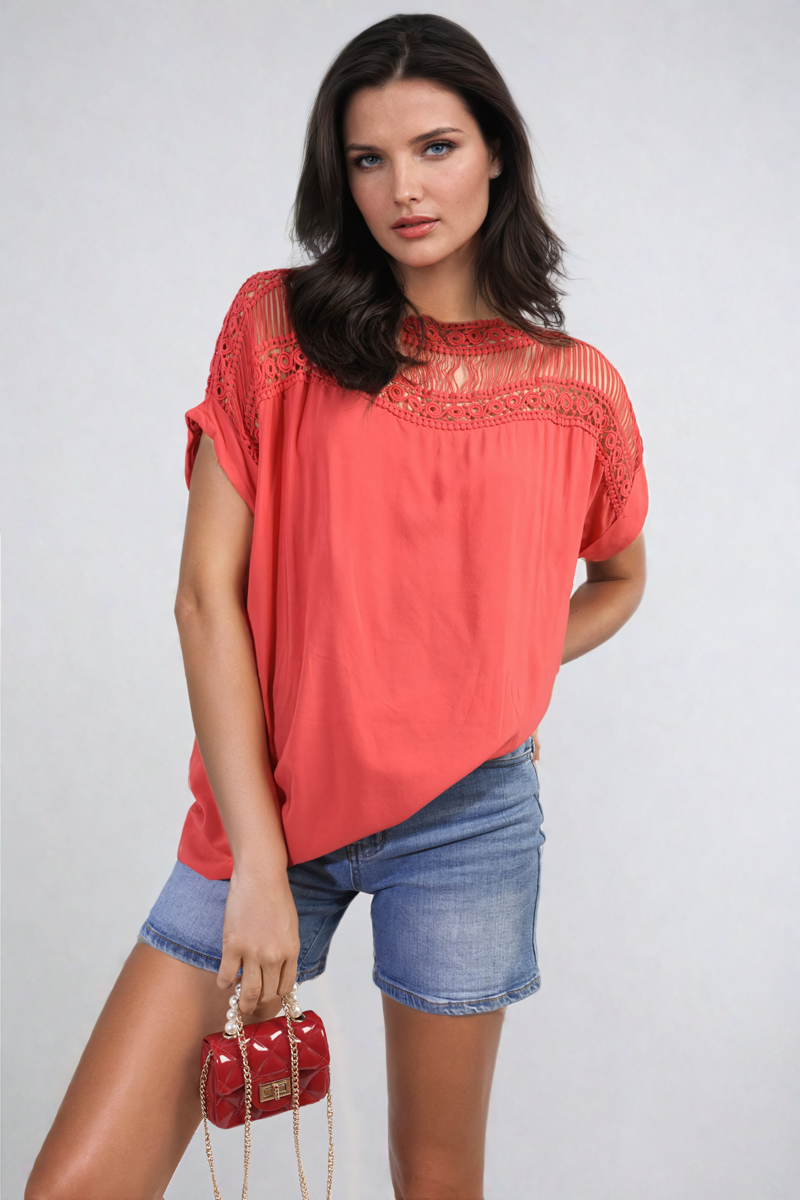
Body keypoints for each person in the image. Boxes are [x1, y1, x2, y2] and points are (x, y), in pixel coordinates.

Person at [26, 13, 648, 1200]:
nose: (403, 188)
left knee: (434, 1178)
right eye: (369, 158)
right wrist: (259, 866)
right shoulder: (276, 329)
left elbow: (618, 579)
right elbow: (203, 601)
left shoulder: (575, 391)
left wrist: (508, 674)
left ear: (496, 154)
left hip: (468, 823)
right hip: (268, 807)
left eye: (435, 147)